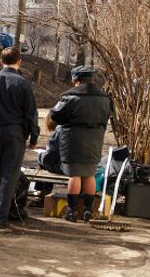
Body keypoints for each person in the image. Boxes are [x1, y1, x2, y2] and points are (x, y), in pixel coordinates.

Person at [0, 47, 39, 229]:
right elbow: (31, 114)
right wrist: (34, 137)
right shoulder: (23, 84)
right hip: (15, 133)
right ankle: (0, 218)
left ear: (1, 61)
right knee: (9, 177)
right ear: (19, 61)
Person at [50, 65, 112, 223]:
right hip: (95, 139)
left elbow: (55, 115)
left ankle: (71, 211)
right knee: (90, 174)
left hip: (73, 139)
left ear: (76, 80)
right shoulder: (105, 97)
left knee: (75, 174)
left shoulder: (70, 97)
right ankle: (88, 210)